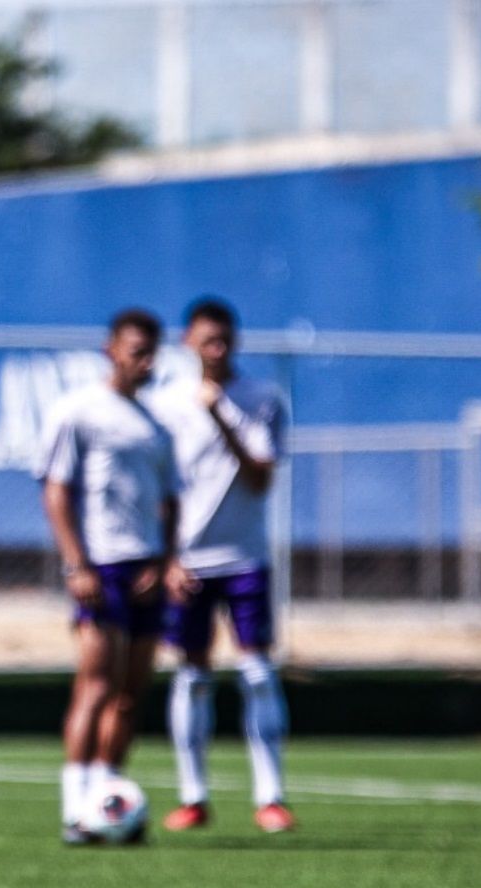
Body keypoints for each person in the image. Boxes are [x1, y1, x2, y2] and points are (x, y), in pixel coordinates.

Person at [151, 298, 295, 833]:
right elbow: (160, 489)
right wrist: (166, 557)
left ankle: (271, 797)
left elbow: (260, 477)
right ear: (189, 340)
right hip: (187, 562)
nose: (217, 348)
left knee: (257, 673)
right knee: (192, 677)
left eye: (225, 339)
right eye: (207, 339)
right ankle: (194, 797)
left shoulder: (261, 399)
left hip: (244, 557)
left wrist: (219, 414)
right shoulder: (166, 403)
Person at [38, 309, 180, 844]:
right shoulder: (78, 411)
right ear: (111, 350)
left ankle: (109, 804)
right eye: (135, 350)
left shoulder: (156, 424)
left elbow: (171, 502)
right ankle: (77, 810)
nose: (144, 361)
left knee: (130, 694)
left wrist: (164, 561)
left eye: (151, 352)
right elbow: (56, 490)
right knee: (96, 685)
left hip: (146, 567)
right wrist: (77, 563)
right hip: (100, 566)